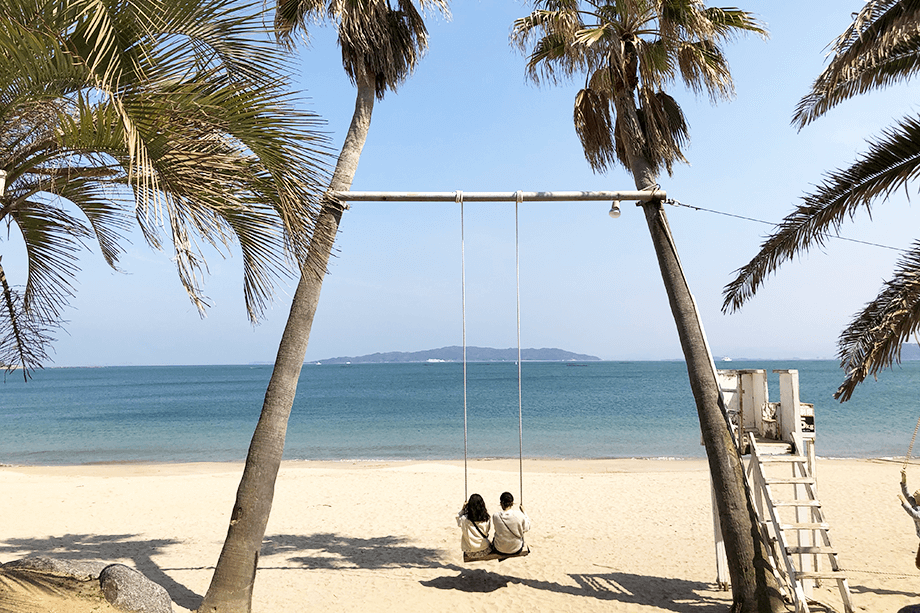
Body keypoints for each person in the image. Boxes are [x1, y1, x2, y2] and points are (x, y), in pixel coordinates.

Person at [491, 491, 531, 556]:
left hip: (499, 549)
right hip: (516, 548)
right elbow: (527, 527)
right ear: (512, 503)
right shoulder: (519, 515)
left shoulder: (495, 516)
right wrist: (524, 512)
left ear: (501, 503)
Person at [457, 493, 492, 559]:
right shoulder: (486, 518)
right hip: (485, 549)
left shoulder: (464, 519)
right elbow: (487, 530)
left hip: (470, 552)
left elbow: (458, 520)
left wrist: (463, 509)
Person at [899, 468, 920, 569]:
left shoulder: (918, 510)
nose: (916, 491)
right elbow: (906, 493)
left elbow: (915, 515)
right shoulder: (915, 503)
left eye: (918, 493)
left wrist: (904, 504)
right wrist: (904, 481)